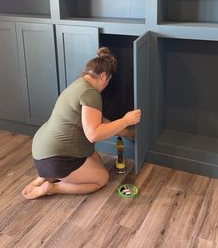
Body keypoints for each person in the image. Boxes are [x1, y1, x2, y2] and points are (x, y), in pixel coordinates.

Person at [22, 47, 141, 200]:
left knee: (96, 160)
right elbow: (93, 134)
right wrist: (126, 120)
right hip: (56, 157)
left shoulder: (79, 85)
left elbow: (99, 120)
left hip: (42, 148)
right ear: (104, 76)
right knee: (102, 178)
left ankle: (45, 176)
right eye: (109, 80)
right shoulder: (91, 93)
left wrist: (127, 133)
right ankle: (53, 187)